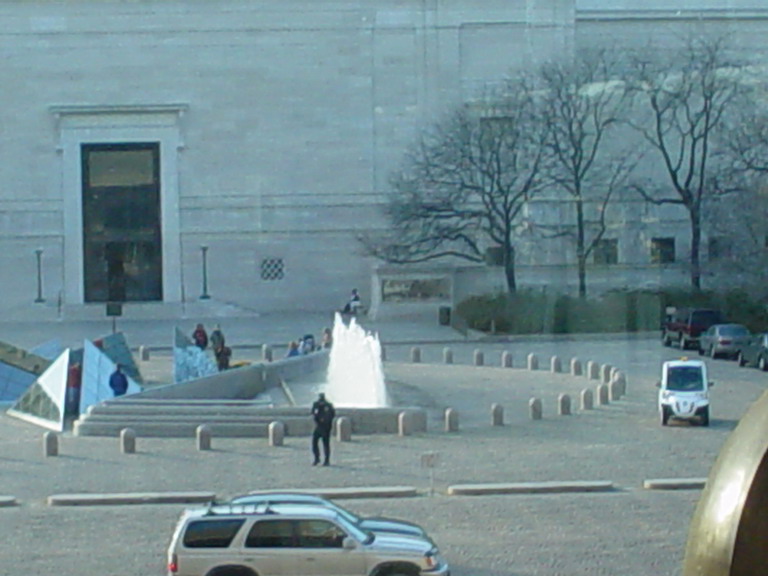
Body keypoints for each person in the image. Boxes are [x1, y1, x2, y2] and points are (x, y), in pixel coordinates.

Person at [310, 392, 335, 466]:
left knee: (324, 444)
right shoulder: (319, 404)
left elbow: (332, 414)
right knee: (319, 443)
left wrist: (322, 419)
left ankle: (323, 459)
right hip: (321, 426)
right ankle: (319, 459)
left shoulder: (327, 405)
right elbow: (313, 412)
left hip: (324, 427)